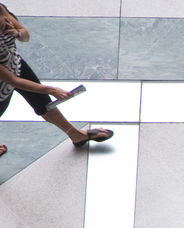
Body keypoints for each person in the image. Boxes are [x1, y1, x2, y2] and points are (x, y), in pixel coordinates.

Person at [0, 3, 113, 157]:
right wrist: (52, 89)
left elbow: (25, 35)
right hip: (4, 80)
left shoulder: (1, 10)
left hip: (15, 63)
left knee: (43, 103)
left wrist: (18, 33)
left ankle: (76, 134)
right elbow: (14, 81)